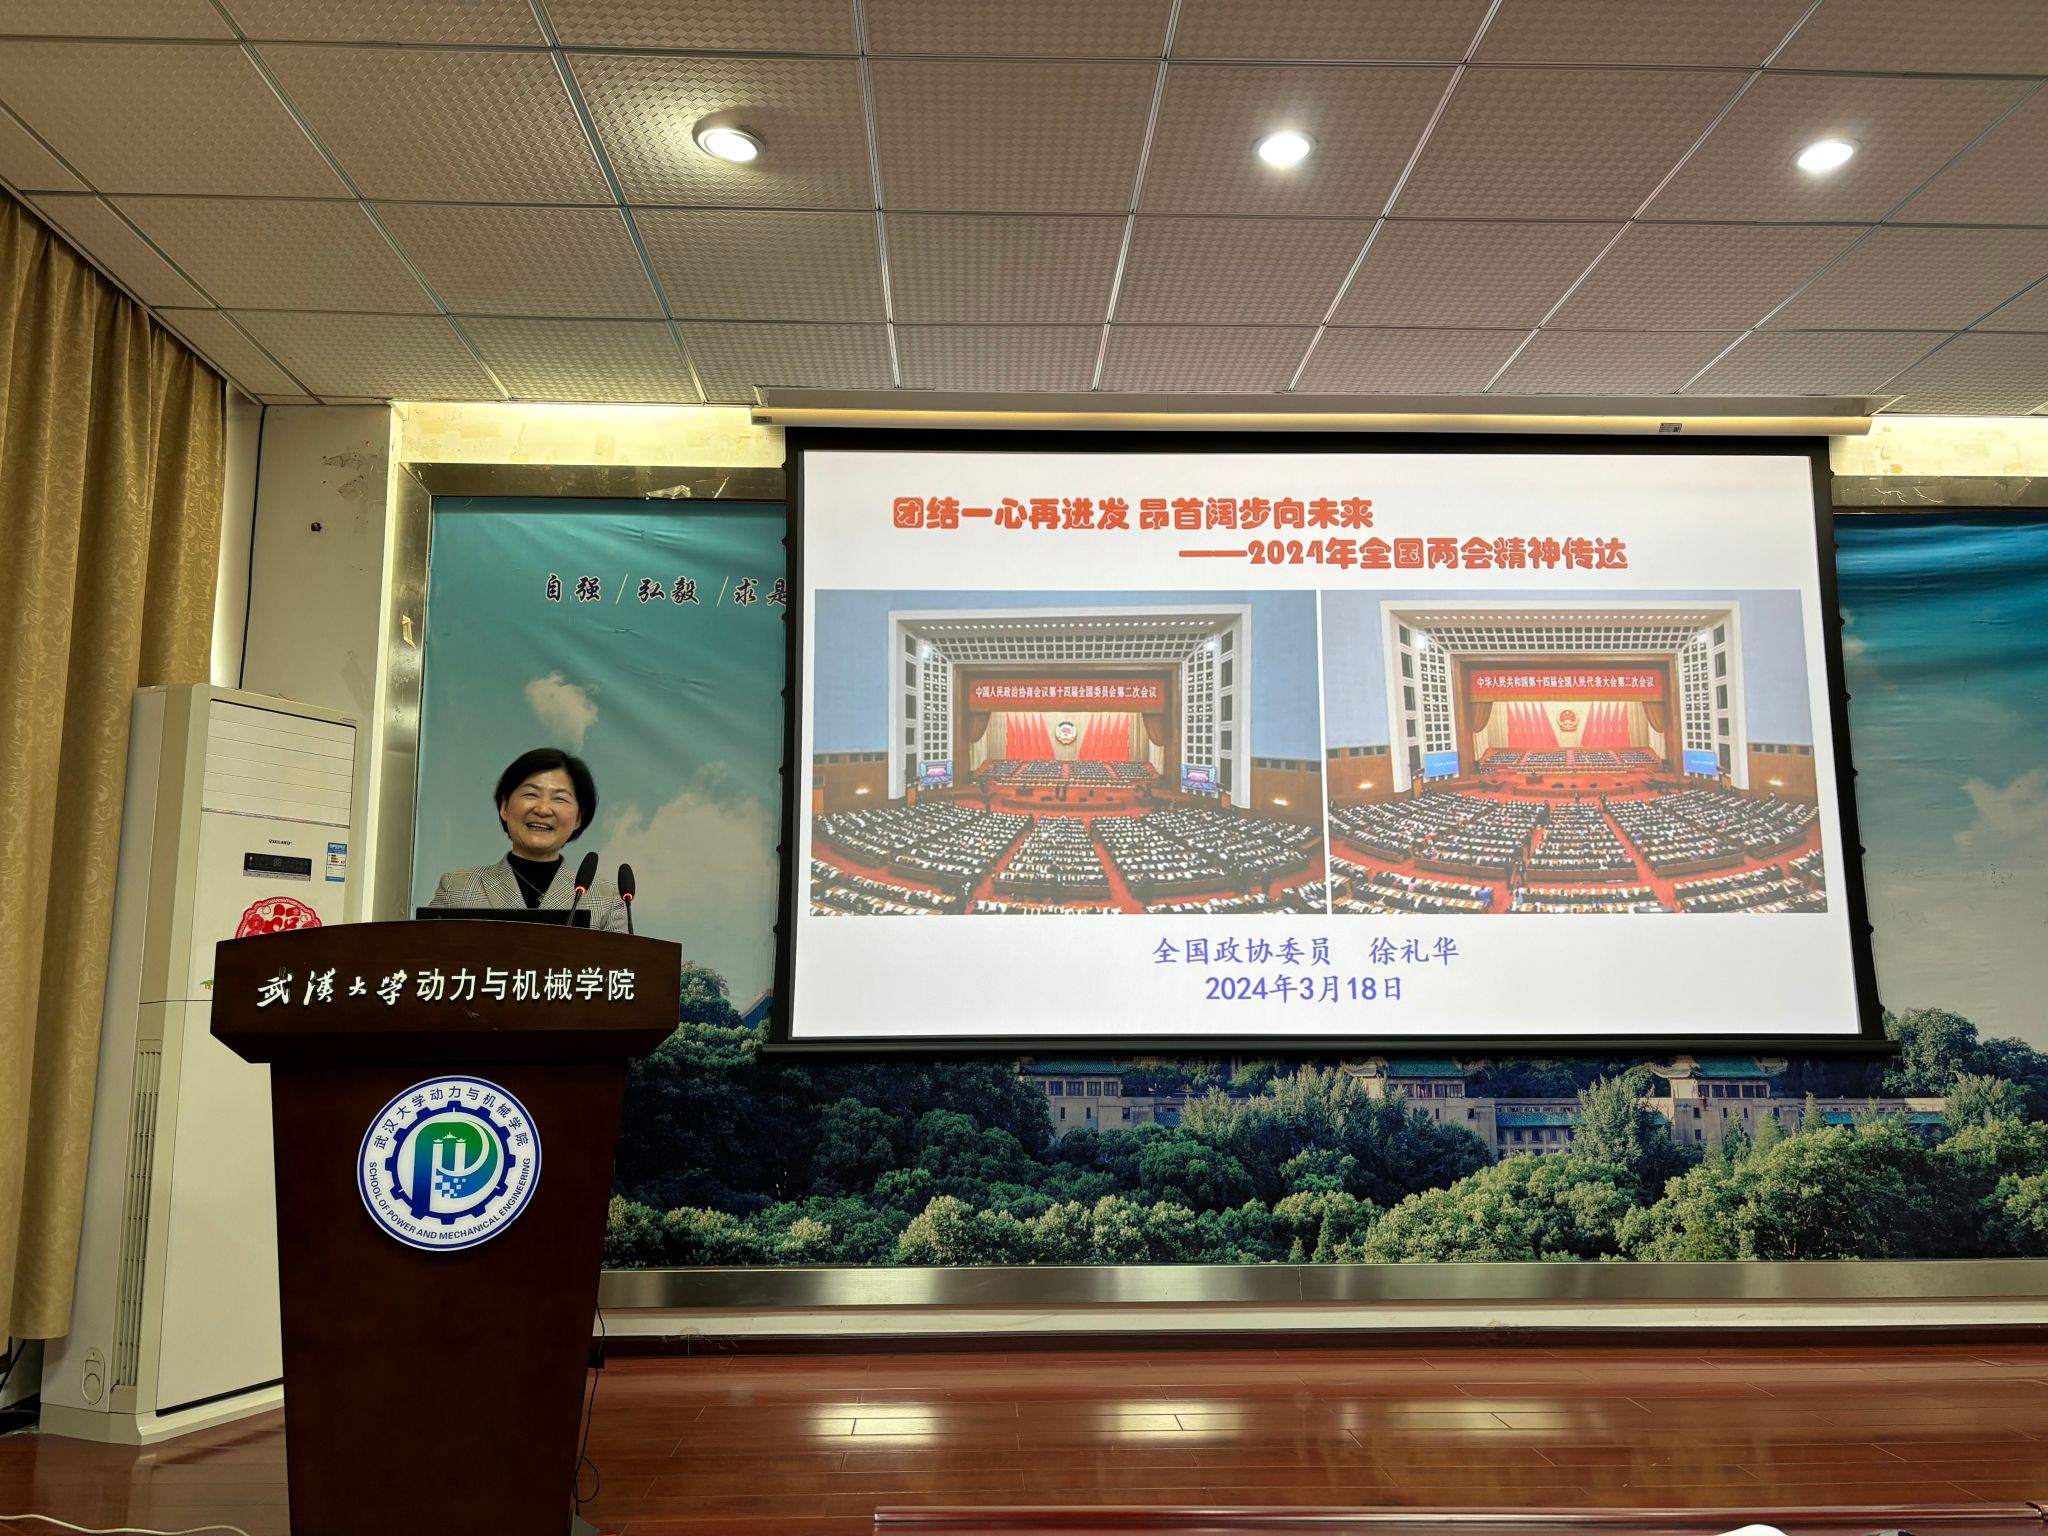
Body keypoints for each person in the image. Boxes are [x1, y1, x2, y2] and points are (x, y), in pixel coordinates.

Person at [427, 747, 629, 931]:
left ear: (578, 818)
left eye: (559, 798)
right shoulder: (457, 888)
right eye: (531, 794)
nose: (543, 809)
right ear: (504, 807)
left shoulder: (606, 899)